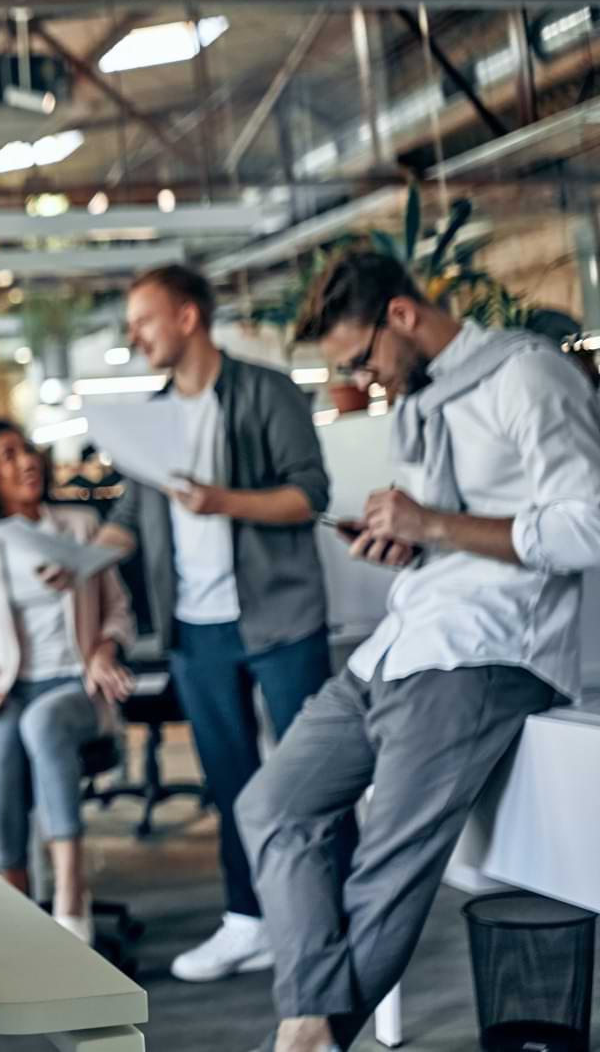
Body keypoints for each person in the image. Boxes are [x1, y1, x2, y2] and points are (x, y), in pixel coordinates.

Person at [238, 252, 600, 1052]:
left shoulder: (527, 376)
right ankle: (314, 1024)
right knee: (272, 804)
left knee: (385, 869)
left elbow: (589, 524)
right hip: (399, 645)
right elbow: (446, 531)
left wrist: (432, 524)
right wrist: (409, 543)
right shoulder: (416, 402)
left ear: (401, 315)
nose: (360, 379)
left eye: (361, 359)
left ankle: (303, 1040)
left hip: (484, 655)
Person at [74, 264, 335, 983]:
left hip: (281, 615)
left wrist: (223, 501)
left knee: (310, 773)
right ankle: (248, 920)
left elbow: (308, 494)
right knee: (231, 779)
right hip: (197, 627)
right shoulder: (151, 416)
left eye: (144, 320)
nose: (135, 335)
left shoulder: (265, 392)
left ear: (188, 317)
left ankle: (324, 916)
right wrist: (73, 557)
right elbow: (133, 515)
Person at [0, 419, 134, 943]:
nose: (27, 461)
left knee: (44, 723)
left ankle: (72, 893)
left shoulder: (79, 524)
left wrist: (102, 650)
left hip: (75, 687)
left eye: (27, 450)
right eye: (8, 456)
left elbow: (118, 609)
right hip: (9, 690)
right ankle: (15, 901)